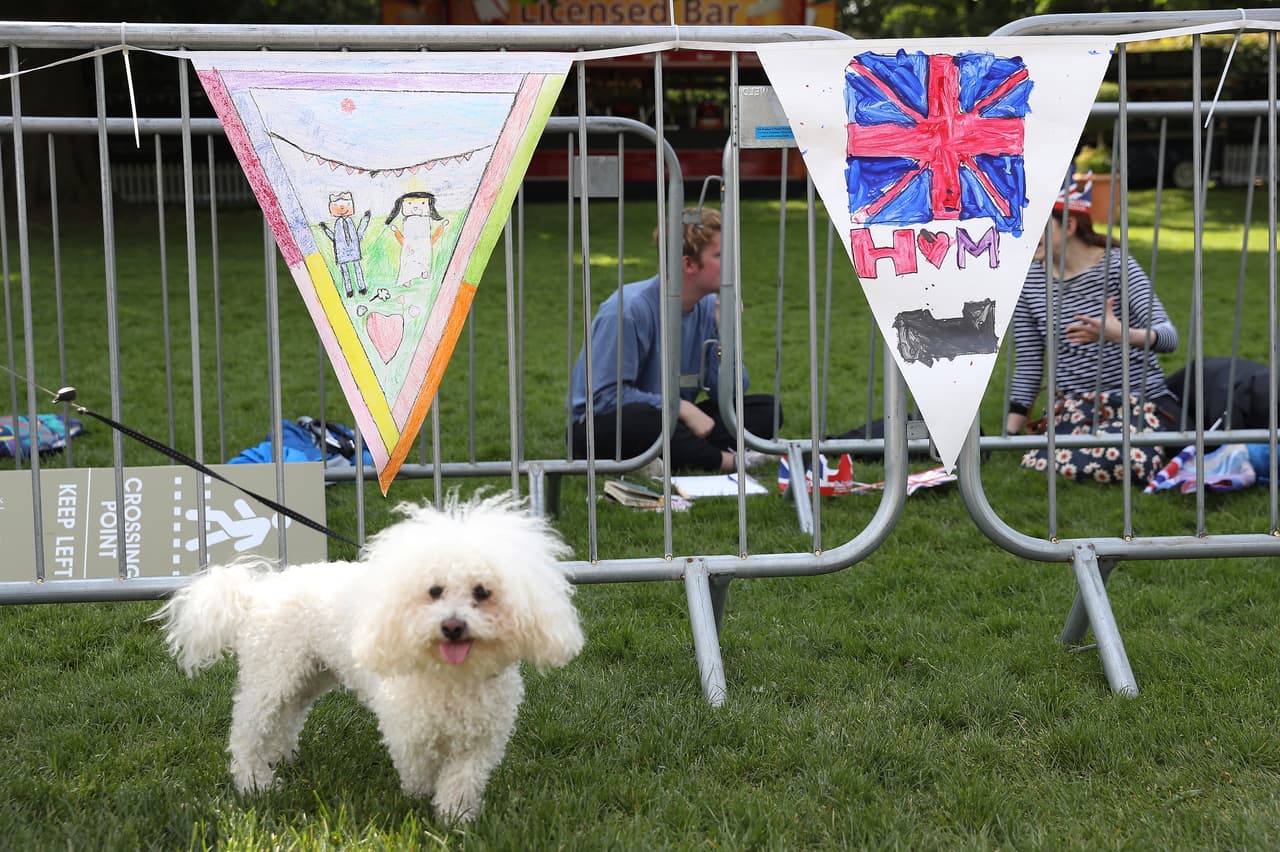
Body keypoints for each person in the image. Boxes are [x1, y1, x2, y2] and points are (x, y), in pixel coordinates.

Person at [568, 207, 781, 472]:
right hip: (605, 425)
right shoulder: (628, 310)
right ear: (689, 264)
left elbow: (729, 394)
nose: (732, 263)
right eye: (720, 255)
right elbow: (605, 398)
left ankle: (661, 458)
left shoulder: (706, 307)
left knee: (768, 410)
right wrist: (680, 407)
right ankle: (729, 461)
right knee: (644, 421)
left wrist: (726, 332)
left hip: (674, 422)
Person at [1006, 176, 1179, 435]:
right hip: (1074, 408)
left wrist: (1121, 335)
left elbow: (1169, 337)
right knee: (1074, 459)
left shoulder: (1118, 265)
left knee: (1127, 454)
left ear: (1070, 226)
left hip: (1140, 400)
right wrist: (1007, 437)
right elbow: (1029, 365)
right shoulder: (1028, 282)